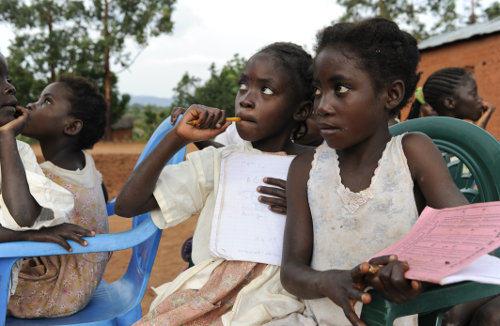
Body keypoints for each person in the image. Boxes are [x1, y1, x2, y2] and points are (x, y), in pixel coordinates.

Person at [277, 18, 488, 326]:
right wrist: (327, 281)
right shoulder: (304, 169)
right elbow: (292, 272)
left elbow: (464, 238)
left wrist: (413, 272)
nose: (322, 105)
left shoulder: (411, 152)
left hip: (399, 318)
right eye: (318, 91)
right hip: (318, 320)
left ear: (390, 95)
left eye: (340, 88)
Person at [116, 42, 314, 325]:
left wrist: (306, 207)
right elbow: (127, 205)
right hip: (209, 293)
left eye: (266, 90)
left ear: (301, 110)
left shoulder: (322, 168)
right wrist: (177, 139)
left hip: (281, 299)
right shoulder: (221, 162)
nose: (246, 99)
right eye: (243, 86)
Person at [6, 75, 109, 318]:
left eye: (46, 101)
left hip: (50, 291)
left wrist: (7, 139)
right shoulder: (87, 165)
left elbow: (12, 223)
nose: (31, 105)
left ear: (72, 127)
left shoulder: (47, 179)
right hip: (81, 285)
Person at [407, 67, 496, 129]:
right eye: (473, 94)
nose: (480, 99)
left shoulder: (459, 129)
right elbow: (474, 143)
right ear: (450, 102)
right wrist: (487, 114)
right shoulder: (439, 137)